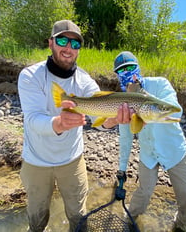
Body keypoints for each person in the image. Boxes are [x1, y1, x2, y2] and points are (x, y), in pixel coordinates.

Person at [18, 20, 127, 232]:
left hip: (72, 159)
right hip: (36, 160)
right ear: (51, 43)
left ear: (79, 50)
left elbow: (100, 117)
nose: (68, 48)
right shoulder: (31, 75)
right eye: (62, 41)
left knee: (78, 217)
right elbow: (32, 120)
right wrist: (58, 123)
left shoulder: (84, 80)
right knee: (37, 219)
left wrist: (111, 121)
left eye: (75, 44)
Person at [114, 51, 186, 232]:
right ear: (117, 75)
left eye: (130, 67)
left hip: (174, 151)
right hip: (148, 154)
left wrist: (142, 95)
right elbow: (126, 137)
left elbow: (176, 112)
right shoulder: (123, 102)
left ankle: (182, 222)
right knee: (143, 193)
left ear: (138, 67)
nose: (127, 72)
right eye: (122, 70)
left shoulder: (160, 84)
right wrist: (122, 169)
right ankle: (130, 220)